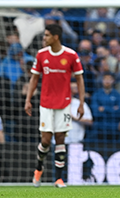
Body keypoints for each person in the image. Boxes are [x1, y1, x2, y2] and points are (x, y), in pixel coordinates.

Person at [24, 24, 86, 188]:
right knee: (45, 140)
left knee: (60, 139)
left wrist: (80, 103)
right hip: (46, 103)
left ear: (56, 37)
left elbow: (79, 79)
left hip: (64, 103)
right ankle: (39, 168)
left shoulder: (71, 55)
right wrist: (28, 99)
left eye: (46, 35)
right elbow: (34, 78)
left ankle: (59, 179)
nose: (44, 38)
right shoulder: (41, 55)